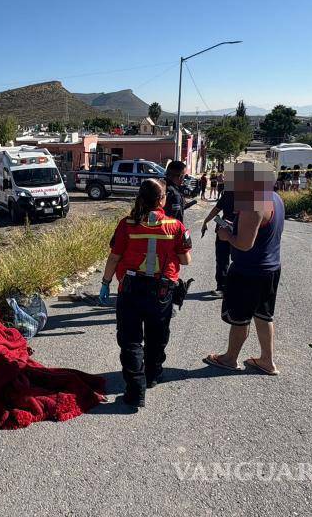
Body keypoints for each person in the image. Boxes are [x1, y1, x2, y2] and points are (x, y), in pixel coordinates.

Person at [99, 179, 192, 408]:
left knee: (130, 340)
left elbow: (114, 257)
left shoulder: (127, 224)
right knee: (157, 336)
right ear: (162, 200)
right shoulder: (176, 226)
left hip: (131, 289)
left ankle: (135, 391)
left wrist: (105, 283)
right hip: (162, 291)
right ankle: (152, 376)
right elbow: (185, 260)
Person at [203, 161, 284, 376]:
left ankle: (230, 359)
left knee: (240, 318)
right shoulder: (274, 198)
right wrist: (235, 228)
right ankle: (267, 361)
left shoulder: (253, 202)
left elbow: (245, 244)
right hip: (270, 268)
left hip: (249, 270)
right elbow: (261, 232)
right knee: (263, 315)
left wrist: (226, 235)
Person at [201, 188, 235, 297]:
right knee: (221, 259)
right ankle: (222, 287)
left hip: (239, 231)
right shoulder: (228, 192)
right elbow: (217, 208)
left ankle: (237, 287)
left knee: (240, 260)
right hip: (224, 229)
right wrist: (206, 221)